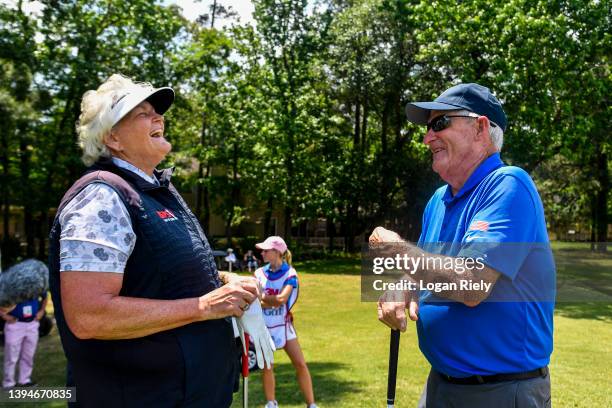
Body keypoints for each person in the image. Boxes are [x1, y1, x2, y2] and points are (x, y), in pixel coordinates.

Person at [48, 74, 273, 407]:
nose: (159, 118)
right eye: (142, 113)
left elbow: (161, 276)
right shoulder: (101, 196)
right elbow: (88, 316)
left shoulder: (157, 191)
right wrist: (205, 307)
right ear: (113, 138)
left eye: (157, 111)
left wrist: (226, 282)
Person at [371, 83, 555, 407]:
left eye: (439, 124)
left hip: (501, 391)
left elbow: (471, 283)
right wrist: (403, 287)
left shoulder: (508, 185)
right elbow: (426, 270)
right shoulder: (438, 201)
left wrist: (394, 250)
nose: (427, 137)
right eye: (427, 128)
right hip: (441, 383)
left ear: (480, 128)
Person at [254, 236, 317, 408]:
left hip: (284, 325)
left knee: (300, 364)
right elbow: (254, 301)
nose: (263, 252)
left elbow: (281, 299)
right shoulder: (258, 273)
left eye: (266, 250)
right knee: (267, 366)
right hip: (264, 327)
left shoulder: (290, 273)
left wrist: (263, 298)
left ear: (277, 252)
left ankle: (311, 404)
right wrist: (267, 300)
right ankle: (271, 403)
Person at [1, 292, 48, 389]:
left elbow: (45, 296)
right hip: (15, 324)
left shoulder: (35, 282)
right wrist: (3, 315)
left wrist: (42, 311)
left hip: (32, 323)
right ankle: (8, 383)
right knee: (11, 356)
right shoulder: (10, 282)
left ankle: (24, 380)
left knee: (28, 355)